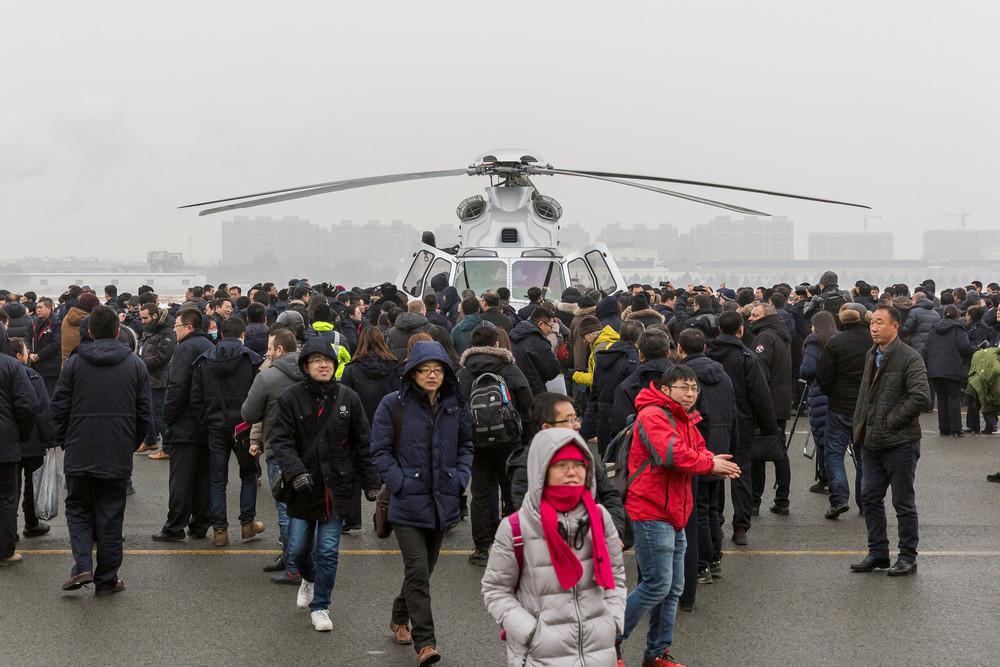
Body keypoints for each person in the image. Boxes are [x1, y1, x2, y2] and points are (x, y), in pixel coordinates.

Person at [616, 365, 740, 666]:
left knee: (672, 588)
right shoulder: (652, 415)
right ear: (665, 389)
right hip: (650, 509)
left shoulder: (684, 418)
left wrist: (711, 458)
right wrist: (710, 464)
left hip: (676, 511)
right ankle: (608, 637)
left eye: (694, 388)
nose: (690, 393)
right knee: (657, 584)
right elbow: (672, 455)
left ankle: (656, 654)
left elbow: (696, 450)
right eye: (683, 387)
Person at [481, 429, 626, 666]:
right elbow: (496, 590)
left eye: (579, 464)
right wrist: (530, 632)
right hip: (541, 656)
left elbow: (616, 576)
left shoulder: (600, 518)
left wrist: (613, 620)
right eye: (561, 465)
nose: (572, 472)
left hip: (598, 653)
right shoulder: (517, 527)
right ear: (541, 470)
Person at [370, 341, 473, 665]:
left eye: (438, 369)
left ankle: (399, 615)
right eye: (425, 370)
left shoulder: (455, 404)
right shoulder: (393, 404)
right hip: (406, 503)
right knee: (417, 569)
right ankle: (425, 643)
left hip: (443, 499)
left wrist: (459, 477)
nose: (432, 375)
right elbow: (379, 452)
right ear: (412, 373)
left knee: (422, 571)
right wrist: (399, 481)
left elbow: (467, 444)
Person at [269, 337, 381, 632]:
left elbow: (362, 443)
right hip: (302, 489)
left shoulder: (348, 398)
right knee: (297, 549)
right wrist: (296, 473)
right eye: (316, 360)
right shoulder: (290, 398)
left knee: (329, 549)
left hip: (338, 487)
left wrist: (371, 482)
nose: (323, 364)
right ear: (305, 366)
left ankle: (321, 606)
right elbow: (280, 441)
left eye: (328, 360)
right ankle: (308, 577)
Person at [51, 306, 152, 594]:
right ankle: (107, 579)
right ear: (118, 332)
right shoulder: (135, 364)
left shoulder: (74, 364)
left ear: (90, 332)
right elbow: (145, 413)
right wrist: (131, 442)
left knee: (78, 508)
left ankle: (82, 564)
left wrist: (65, 440)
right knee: (111, 514)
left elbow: (58, 408)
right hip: (116, 449)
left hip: (80, 447)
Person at [850, 305, 929, 577]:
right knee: (870, 498)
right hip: (870, 442)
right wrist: (858, 426)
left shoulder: (910, 357)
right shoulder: (871, 354)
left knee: (903, 502)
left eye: (880, 323)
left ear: (895, 326)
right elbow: (864, 396)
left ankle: (908, 556)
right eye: (872, 322)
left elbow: (921, 397)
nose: (873, 327)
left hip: (900, 443)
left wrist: (890, 421)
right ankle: (878, 552)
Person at [456, 326, 533, 566]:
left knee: (481, 493)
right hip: (509, 439)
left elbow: (456, 406)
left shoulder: (464, 372)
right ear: (497, 344)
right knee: (511, 492)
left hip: (476, 441)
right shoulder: (509, 367)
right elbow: (527, 402)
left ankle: (481, 548)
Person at [507, 392, 626, 541]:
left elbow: (609, 494)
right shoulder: (526, 467)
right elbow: (530, 519)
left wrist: (614, 533)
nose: (578, 425)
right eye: (570, 420)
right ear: (547, 428)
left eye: (576, 418)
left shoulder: (584, 455)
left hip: (593, 551)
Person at [190, 317, 264, 548]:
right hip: (244, 426)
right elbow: (259, 396)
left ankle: (220, 529)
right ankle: (247, 523)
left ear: (220, 335)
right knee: (248, 475)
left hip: (215, 425)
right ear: (243, 334)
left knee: (217, 479)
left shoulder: (204, 360)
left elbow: (195, 398)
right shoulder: (252, 360)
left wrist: (205, 422)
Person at [705, 310, 776, 545]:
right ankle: (741, 526)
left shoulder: (707, 354)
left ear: (719, 330)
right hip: (742, 422)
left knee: (713, 472)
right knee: (741, 474)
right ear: (741, 329)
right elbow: (760, 395)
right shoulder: (746, 357)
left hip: (710, 423)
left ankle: (715, 520)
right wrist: (769, 427)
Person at [240, 327, 303, 577]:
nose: (266, 353)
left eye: (269, 348)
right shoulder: (313, 370)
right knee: (304, 508)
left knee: (286, 509)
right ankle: (292, 557)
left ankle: (293, 567)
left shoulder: (268, 376)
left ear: (279, 349)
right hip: (308, 449)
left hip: (279, 449)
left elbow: (249, 413)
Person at [154, 307, 214, 542]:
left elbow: (177, 387)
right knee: (202, 478)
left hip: (185, 423)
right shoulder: (210, 346)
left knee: (181, 478)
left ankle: (174, 527)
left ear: (189, 327)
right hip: (206, 423)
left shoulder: (185, 348)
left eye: (177, 326)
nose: (174, 330)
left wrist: (168, 417)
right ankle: (200, 525)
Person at [340, 326, 401, 532]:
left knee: (353, 469)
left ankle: (351, 518)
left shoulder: (351, 369)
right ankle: (382, 515)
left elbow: (345, 400)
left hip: (358, 424)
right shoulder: (393, 367)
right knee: (386, 470)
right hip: (387, 423)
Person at [748, 301, 793, 516]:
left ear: (766, 316)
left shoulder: (764, 337)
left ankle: (754, 501)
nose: (750, 318)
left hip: (768, 403)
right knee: (779, 453)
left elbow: (759, 374)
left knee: (758, 454)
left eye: (754, 315)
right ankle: (782, 499)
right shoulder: (781, 335)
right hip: (781, 402)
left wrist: (756, 402)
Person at [10, 338, 56, 538]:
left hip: (9, 441)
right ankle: (31, 523)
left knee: (9, 488)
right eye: (26, 350)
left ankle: (9, 530)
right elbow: (43, 411)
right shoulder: (33, 377)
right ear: (19, 356)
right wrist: (50, 438)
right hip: (32, 439)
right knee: (32, 484)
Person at [0, 343, 35, 566]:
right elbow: (28, 404)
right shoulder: (11, 365)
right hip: (4, 439)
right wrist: (21, 433)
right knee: (5, 497)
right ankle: (4, 551)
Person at [799, 311, 837, 495]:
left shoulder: (814, 342)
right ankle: (834, 478)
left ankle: (825, 479)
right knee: (835, 437)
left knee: (821, 438)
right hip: (839, 392)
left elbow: (807, 370)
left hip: (819, 391)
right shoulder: (839, 340)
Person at [924, 305, 975, 437]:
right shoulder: (959, 328)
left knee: (941, 397)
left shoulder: (934, 329)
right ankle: (955, 428)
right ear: (957, 315)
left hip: (935, 367)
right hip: (953, 366)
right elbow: (964, 347)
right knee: (953, 397)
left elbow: (926, 348)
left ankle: (944, 427)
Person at [136, 302, 176, 457]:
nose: (142, 321)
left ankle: (168, 448)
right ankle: (150, 440)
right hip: (147, 378)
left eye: (145, 318)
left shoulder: (167, 332)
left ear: (154, 315)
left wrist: (139, 364)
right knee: (147, 413)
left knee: (160, 416)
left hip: (159, 380)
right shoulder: (150, 330)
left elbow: (163, 357)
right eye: (141, 318)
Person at [509, 307, 562, 397]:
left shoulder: (513, 334)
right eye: (550, 326)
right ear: (541, 324)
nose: (550, 330)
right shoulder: (538, 341)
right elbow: (552, 370)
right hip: (533, 391)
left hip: (513, 389)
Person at [30, 297, 62, 396]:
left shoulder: (56, 322)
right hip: (36, 365)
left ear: (49, 308)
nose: (38, 310)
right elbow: (29, 339)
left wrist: (39, 355)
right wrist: (31, 353)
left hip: (51, 367)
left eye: (41, 307)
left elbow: (55, 344)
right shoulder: (35, 321)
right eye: (37, 308)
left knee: (49, 395)